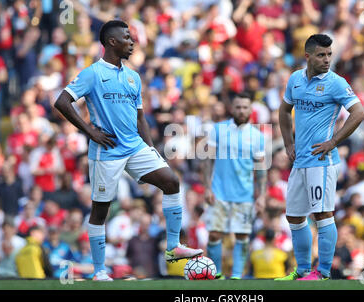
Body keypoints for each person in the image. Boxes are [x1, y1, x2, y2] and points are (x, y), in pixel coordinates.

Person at [53, 20, 202, 281]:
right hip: (106, 151)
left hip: (134, 146)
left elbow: (140, 118)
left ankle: (172, 246)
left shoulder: (133, 77)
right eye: (127, 37)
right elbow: (61, 101)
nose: (132, 42)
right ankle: (99, 271)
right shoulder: (92, 73)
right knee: (101, 211)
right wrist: (90, 132)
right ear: (112, 42)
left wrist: (151, 149)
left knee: (171, 181)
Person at [276, 34, 364, 281]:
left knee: (323, 214)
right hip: (300, 160)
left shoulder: (336, 83)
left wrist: (333, 141)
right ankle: (303, 269)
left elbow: (359, 113)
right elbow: (284, 110)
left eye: (329, 54)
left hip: (322, 160)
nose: (327, 59)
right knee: (294, 216)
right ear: (308, 56)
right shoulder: (295, 79)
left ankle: (323, 272)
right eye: (321, 55)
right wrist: (287, 143)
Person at [202, 91, 267, 279]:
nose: (241, 110)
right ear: (232, 108)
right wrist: (207, 187)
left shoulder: (257, 136)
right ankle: (216, 275)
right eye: (238, 107)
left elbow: (261, 168)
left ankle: (237, 277)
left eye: (245, 107)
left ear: (250, 110)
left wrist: (261, 195)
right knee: (214, 234)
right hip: (219, 191)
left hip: (244, 194)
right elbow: (207, 160)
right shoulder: (218, 129)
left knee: (242, 235)